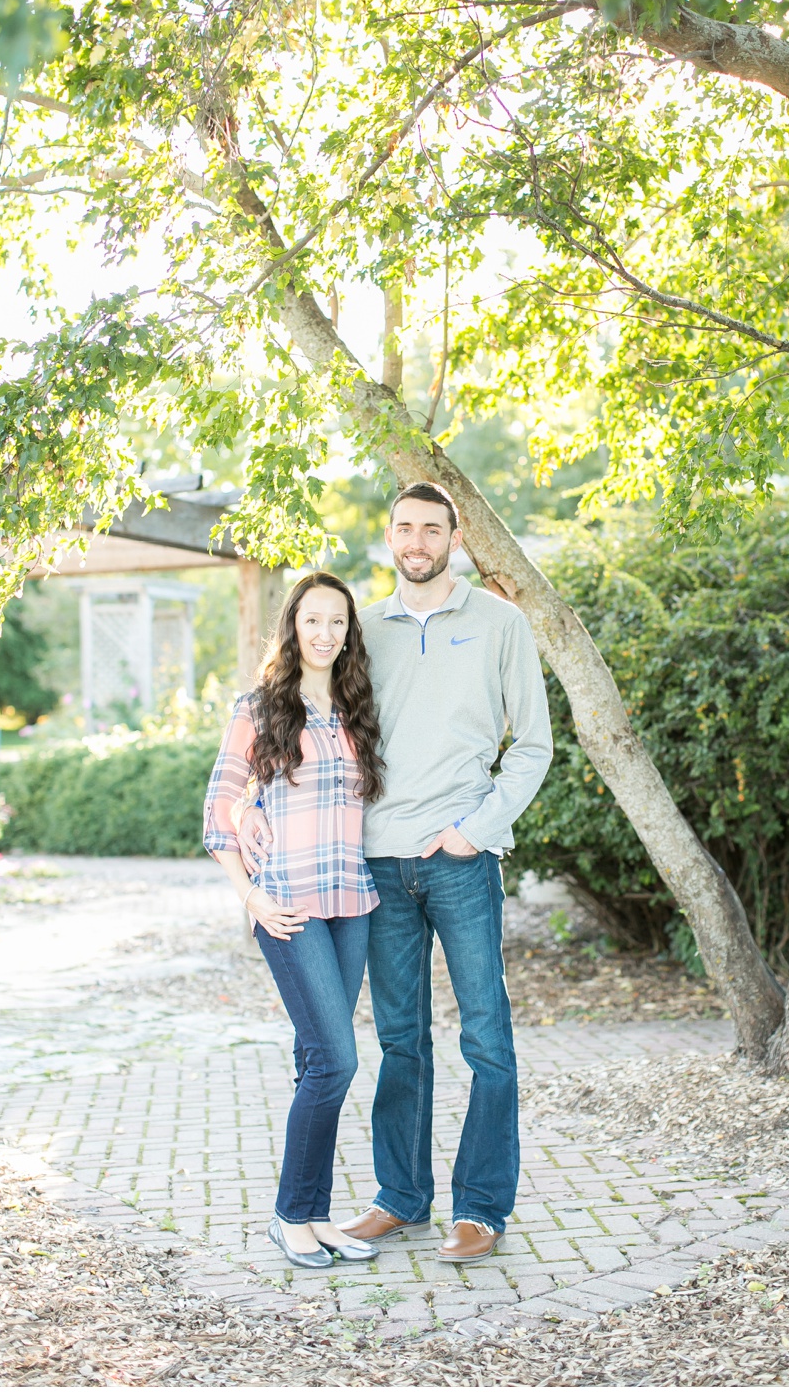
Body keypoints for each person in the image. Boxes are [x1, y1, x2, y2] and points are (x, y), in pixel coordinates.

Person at [332, 481, 553, 1263]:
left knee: (487, 1038)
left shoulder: (500, 624)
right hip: (381, 863)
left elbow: (532, 745)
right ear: (389, 537)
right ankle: (401, 1197)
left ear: (455, 538)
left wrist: (475, 831)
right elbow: (328, 734)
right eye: (404, 527)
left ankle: (482, 1208)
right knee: (400, 1040)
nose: (417, 540)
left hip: (461, 861)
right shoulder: (361, 629)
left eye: (432, 527)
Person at [202, 570, 389, 1270]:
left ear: (348, 632)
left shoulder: (355, 705)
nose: (325, 632)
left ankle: (315, 1213)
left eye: (337, 622)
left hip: (352, 904)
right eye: (313, 620)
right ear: (294, 625)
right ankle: (290, 1214)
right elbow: (219, 806)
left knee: (320, 1061)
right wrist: (249, 896)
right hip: (287, 905)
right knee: (337, 1059)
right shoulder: (260, 705)